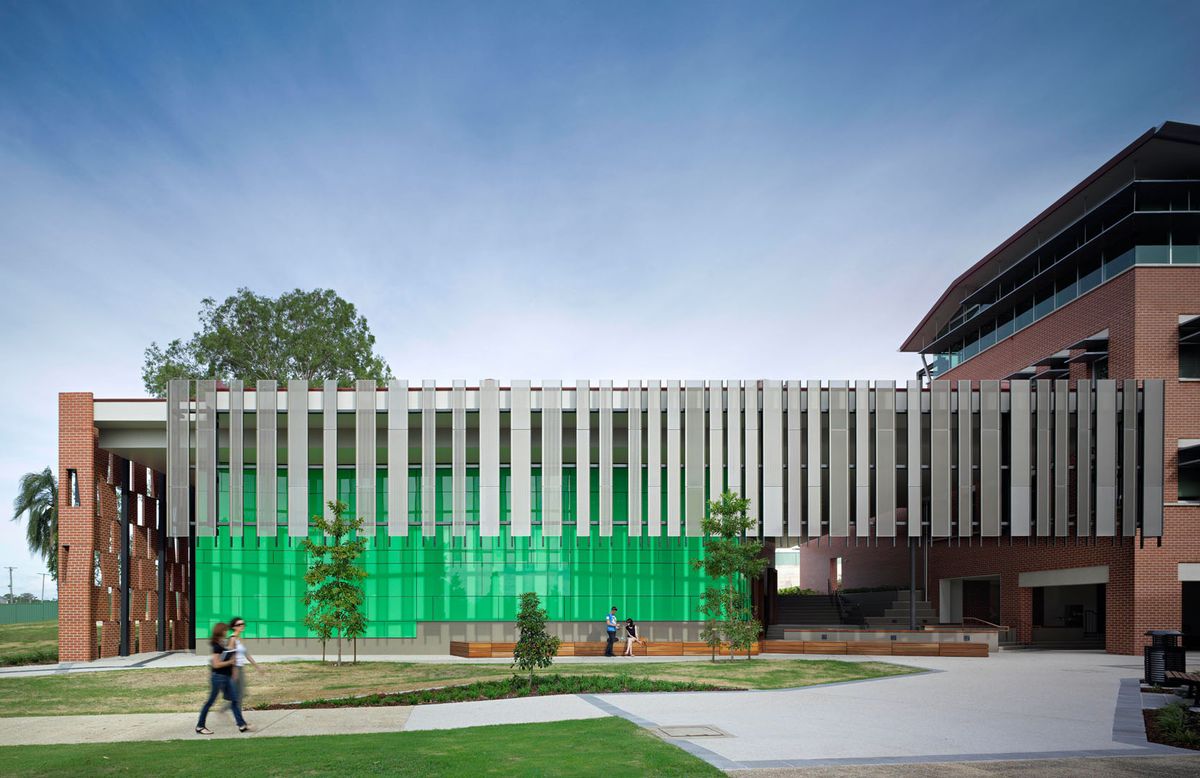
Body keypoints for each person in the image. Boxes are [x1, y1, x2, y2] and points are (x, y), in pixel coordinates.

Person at [195, 622, 250, 735]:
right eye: (224, 630)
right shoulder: (216, 646)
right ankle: (200, 726)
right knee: (210, 702)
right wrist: (230, 661)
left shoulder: (221, 643)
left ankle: (241, 725)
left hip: (226, 677)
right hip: (218, 677)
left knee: (234, 700)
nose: (226, 632)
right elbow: (216, 664)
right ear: (220, 631)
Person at [226, 617, 259, 711]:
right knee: (239, 694)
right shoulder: (232, 638)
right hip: (235, 669)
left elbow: (246, 654)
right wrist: (234, 671)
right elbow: (230, 655)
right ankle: (229, 713)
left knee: (240, 693)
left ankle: (233, 714)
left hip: (240, 667)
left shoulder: (240, 638)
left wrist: (256, 666)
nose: (242, 626)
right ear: (234, 627)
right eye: (239, 624)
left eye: (243, 624)